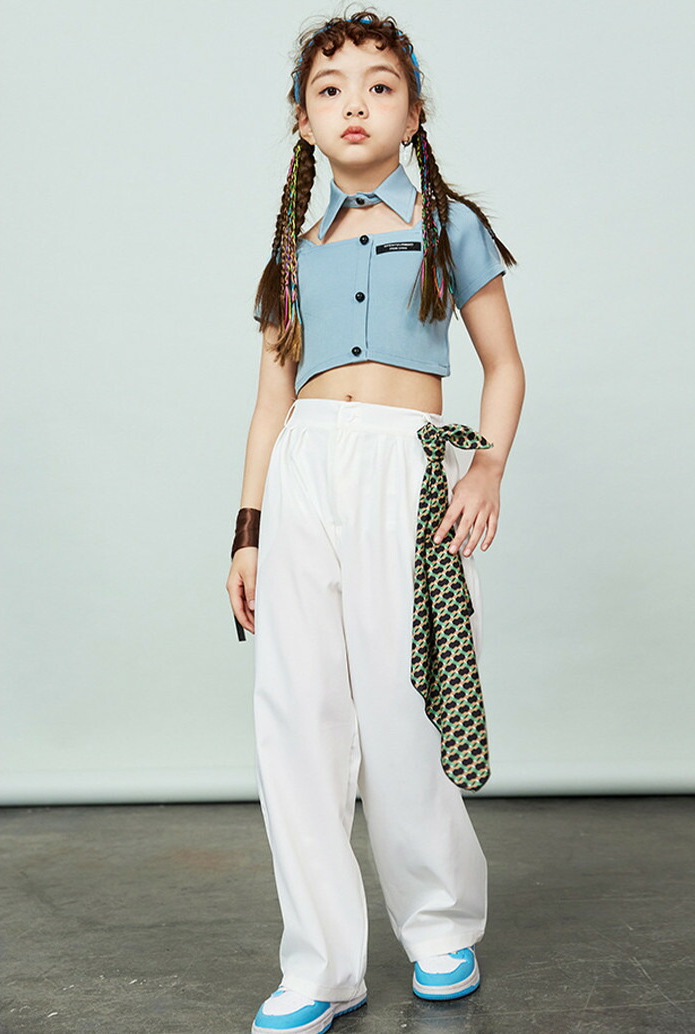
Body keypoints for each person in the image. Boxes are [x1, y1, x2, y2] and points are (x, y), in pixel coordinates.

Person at [226, 10, 525, 1033]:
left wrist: (488, 464)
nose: (354, 103)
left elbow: (504, 366)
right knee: (297, 711)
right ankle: (320, 964)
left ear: (414, 111)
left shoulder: (452, 227)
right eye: (330, 88)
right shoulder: (292, 253)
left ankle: (439, 925)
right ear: (302, 119)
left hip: (406, 468)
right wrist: (248, 531)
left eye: (379, 85)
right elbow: (270, 404)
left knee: (405, 702)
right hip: (305, 468)